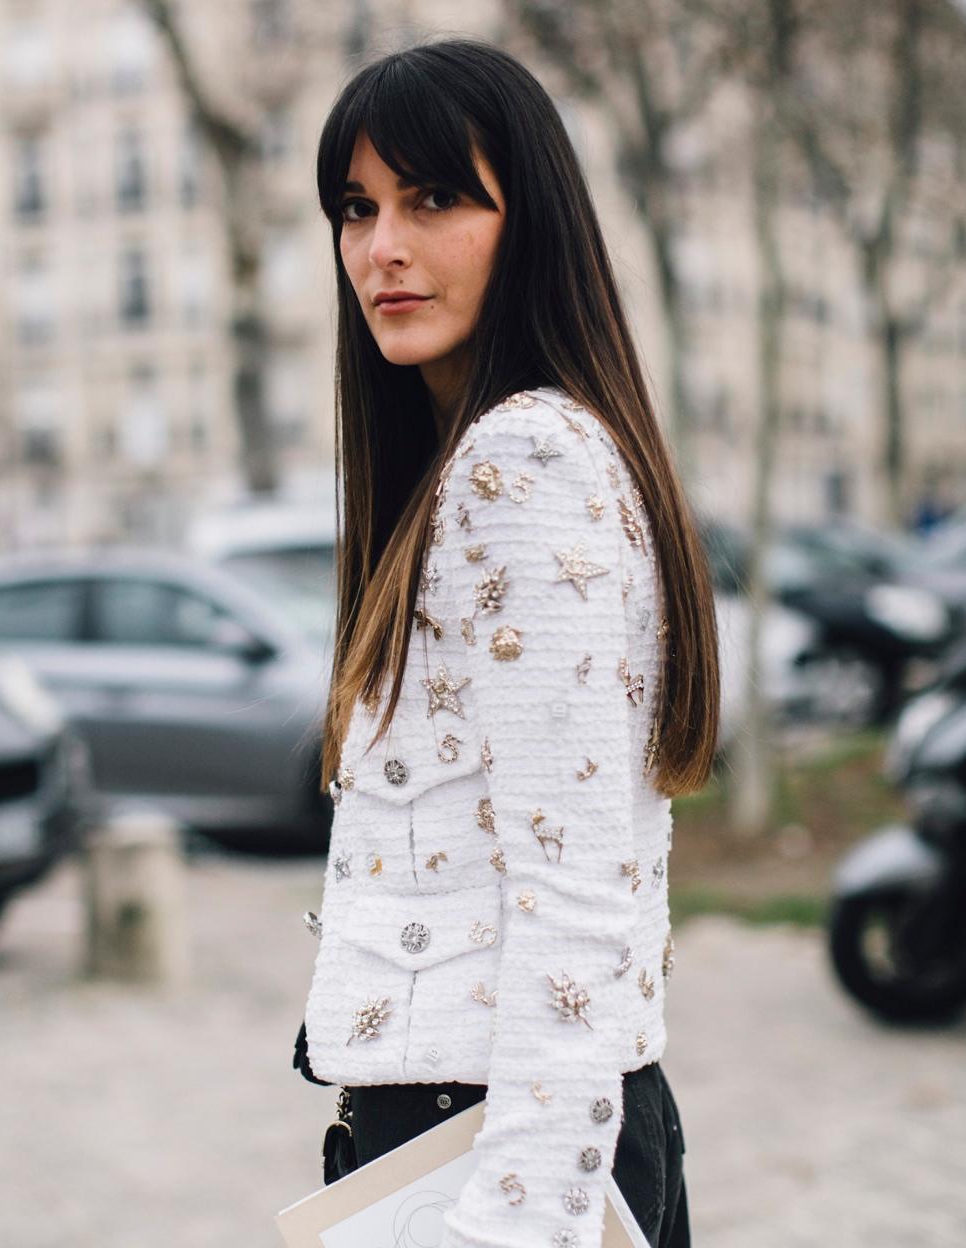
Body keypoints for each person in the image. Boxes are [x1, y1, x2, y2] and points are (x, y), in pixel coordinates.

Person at [292, 36, 720, 1248]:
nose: (384, 248)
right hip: (474, 1136)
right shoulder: (479, 462)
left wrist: (513, 1226)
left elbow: (572, 895)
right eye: (356, 208)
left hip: (509, 1157)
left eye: (435, 199)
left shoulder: (521, 463)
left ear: (526, 220)